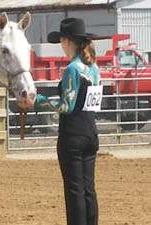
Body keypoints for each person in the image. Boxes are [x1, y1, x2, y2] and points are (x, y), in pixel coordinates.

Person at [33, 18, 100, 225]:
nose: (61, 46)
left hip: (72, 135)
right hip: (91, 132)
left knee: (74, 190)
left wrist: (39, 101)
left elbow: (66, 106)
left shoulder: (72, 69)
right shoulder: (94, 68)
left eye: (61, 41)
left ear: (67, 41)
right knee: (88, 188)